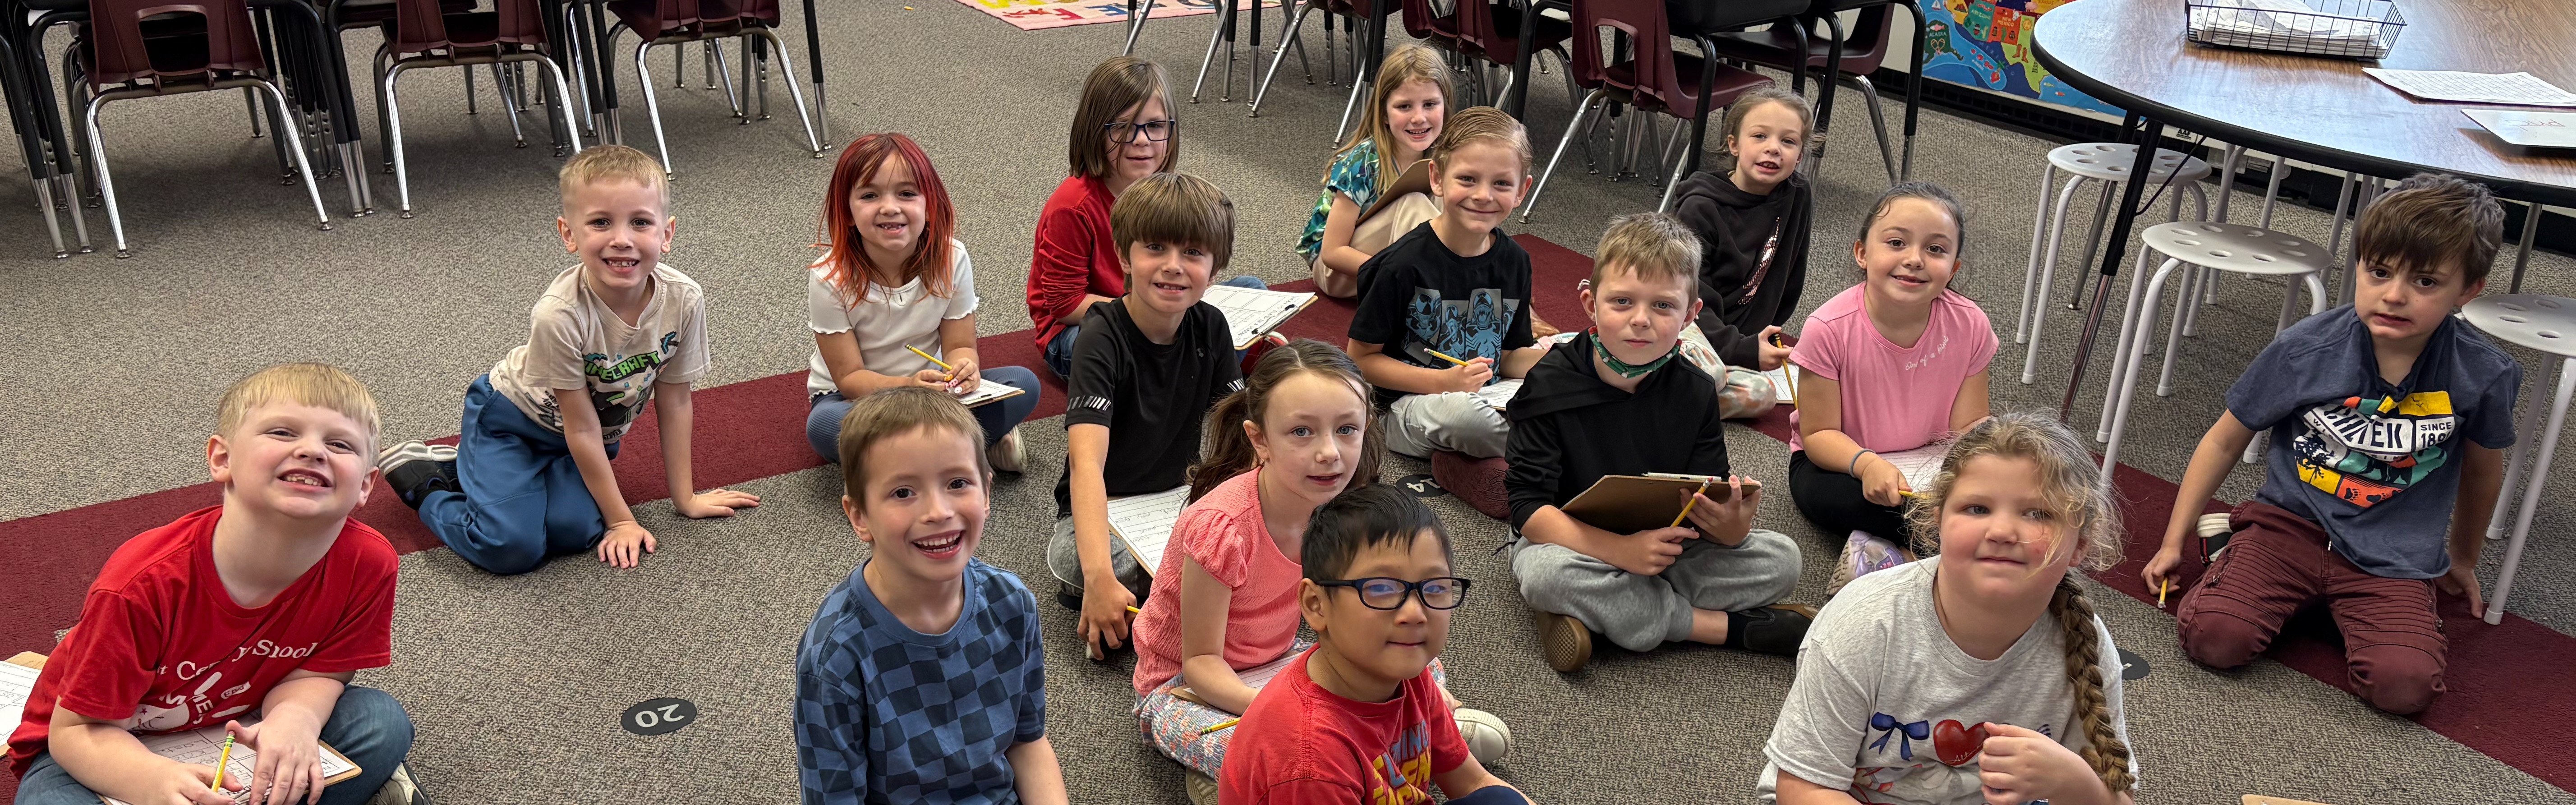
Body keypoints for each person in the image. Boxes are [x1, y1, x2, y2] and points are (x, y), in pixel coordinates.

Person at [2142, 173, 2517, 716]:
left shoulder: (2483, 373)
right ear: (2359, 265)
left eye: (2427, 282)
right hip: (2288, 529)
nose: (2394, 295)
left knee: (2404, 689)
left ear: (2469, 290)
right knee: (2215, 639)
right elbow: (2225, 441)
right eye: (2379, 271)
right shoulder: (2305, 349)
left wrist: (2461, 557)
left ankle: (2336, 605)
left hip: (2393, 556)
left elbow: (2483, 472)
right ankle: (2239, 550)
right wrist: (2173, 541)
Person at [8, 364, 419, 805]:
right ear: (223, 459)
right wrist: (154, 782)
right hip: (110, 741)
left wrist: (296, 716)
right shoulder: (143, 584)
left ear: (365, 485)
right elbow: (76, 733)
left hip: (243, 722)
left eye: (339, 444)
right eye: (282, 433)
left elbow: (326, 668)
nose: (312, 451)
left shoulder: (369, 563)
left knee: (380, 722)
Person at [380, 145, 759, 574]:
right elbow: (580, 424)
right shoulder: (559, 313)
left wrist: (685, 498)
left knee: (575, 531)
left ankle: (483, 475)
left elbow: (674, 402)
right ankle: (429, 481)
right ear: (569, 234)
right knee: (511, 547)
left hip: (581, 437)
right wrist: (621, 519)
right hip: (513, 422)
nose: (622, 238)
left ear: (667, 234)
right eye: (601, 222)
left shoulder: (685, 299)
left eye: (640, 222)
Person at [1763, 413, 2137, 805]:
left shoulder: (2085, 644)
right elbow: (1804, 787)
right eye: (1977, 508)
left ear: (2081, 542)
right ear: (1937, 520)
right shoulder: (1864, 625)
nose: (2002, 532)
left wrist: (2079, 786)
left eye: (2037, 513)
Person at [1505, 213, 1812, 674]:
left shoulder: (1694, 389)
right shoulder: (1548, 384)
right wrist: (1621, 552)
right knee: (1545, 575)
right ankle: (1720, 628)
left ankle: (1611, 615)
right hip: (1573, 543)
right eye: (1623, 301)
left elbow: (1703, 491)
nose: (1641, 321)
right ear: (1590, 303)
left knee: (1782, 559)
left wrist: (1730, 529)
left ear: (1691, 315)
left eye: (1664, 307)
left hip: (1668, 544)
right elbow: (1529, 512)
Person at [795, 387, 1067, 805]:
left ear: (987, 493)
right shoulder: (835, 655)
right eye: (903, 492)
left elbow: (1027, 743)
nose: (938, 511)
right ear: (859, 516)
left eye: (958, 483)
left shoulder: (1012, 602)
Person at [1218, 485, 1531, 805]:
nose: (1414, 613)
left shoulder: (1406, 670)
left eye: (1435, 587)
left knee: (1500, 800)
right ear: (1316, 605)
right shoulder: (1312, 761)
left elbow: (1473, 780)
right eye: (1381, 588)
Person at [1051, 172, 1249, 660]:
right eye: (1156, 248)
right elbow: (1087, 467)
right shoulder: (1102, 337)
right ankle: (1167, 597)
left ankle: (1161, 599)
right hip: (1105, 510)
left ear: (1216, 267)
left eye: (1194, 254)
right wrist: (1098, 578)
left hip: (1177, 501)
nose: (1173, 267)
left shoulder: (1211, 326)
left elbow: (1241, 437)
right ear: (1125, 256)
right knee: (1086, 565)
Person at [1786, 182, 1993, 589]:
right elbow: (1818, 434)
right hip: (1841, 464)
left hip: (1930, 467)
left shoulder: (1970, 324)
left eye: (1935, 250)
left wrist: (1978, 468)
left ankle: (1911, 561)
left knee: (1996, 498)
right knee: (1856, 502)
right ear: (1863, 253)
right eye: (1897, 243)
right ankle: (1924, 563)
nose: (1914, 260)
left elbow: (1970, 423)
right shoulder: (1828, 329)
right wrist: (1868, 464)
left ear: (1953, 269)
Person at [801, 132, 1043, 474]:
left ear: (929, 206)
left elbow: (960, 346)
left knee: (1024, 383)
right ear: (849, 213)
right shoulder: (830, 276)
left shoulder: (951, 257)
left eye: (907, 193)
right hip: (859, 398)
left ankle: (907, 460)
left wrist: (965, 370)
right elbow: (850, 378)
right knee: (825, 427)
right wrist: (907, 387)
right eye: (870, 195)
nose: (890, 207)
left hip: (936, 392)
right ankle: (967, 447)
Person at [1028, 55, 1263, 377]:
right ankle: (1204, 371)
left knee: (1252, 289)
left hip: (1162, 309)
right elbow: (1065, 305)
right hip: (1083, 331)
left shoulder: (1167, 192)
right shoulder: (1073, 206)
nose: (1141, 140)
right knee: (1117, 348)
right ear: (1095, 130)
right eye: (1123, 127)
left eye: (1154, 126)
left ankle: (1193, 371)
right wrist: (1150, 311)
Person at [1347, 106, 1550, 462]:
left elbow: (1508, 357)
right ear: (1437, 178)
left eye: (1502, 183)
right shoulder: (1402, 265)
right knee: (1466, 421)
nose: (1484, 195)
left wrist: (1558, 366)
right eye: (1468, 179)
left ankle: (1488, 466)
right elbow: (1361, 361)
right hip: (1407, 405)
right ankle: (1536, 459)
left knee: (1569, 385)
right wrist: (1444, 384)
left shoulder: (1516, 261)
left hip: (1490, 394)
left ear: (1522, 191)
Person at [1670, 87, 1816, 420]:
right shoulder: (1700, 208)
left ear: (1801, 154)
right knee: (1713, 375)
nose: (1773, 149)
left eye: (1789, 142)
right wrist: (1740, 349)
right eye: (1760, 136)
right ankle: (1633, 375)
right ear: (1734, 145)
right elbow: (1683, 296)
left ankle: (1666, 388)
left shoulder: (1798, 194)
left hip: (1732, 338)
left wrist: (1755, 341)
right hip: (1682, 320)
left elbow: (1791, 274)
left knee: (1761, 395)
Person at [1294, 44, 1450, 299]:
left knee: (1454, 188)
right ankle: (1458, 290)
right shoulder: (1362, 162)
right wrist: (1393, 274)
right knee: (1414, 202)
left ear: (1445, 105)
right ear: (1384, 115)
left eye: (1430, 104)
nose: (1419, 118)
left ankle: (1478, 288)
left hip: (1394, 259)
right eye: (1404, 107)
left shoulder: (1441, 154)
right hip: (1340, 272)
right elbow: (1333, 253)